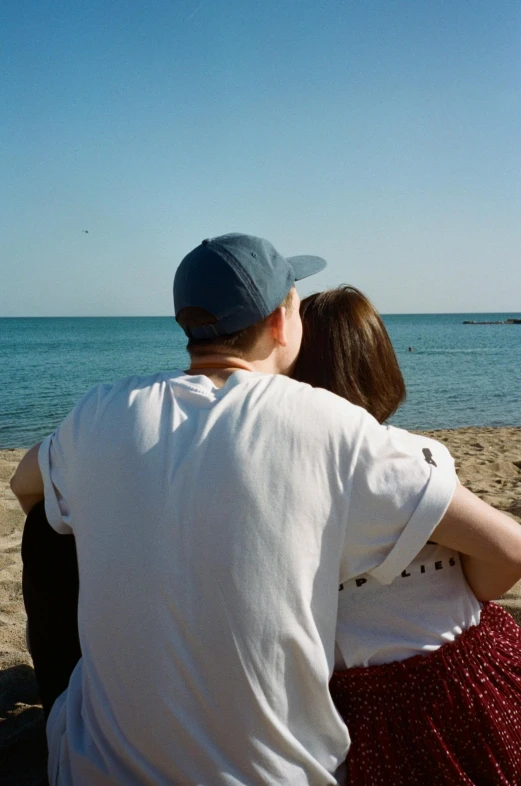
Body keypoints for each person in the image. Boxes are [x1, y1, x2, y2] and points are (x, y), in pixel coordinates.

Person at [10, 235, 521, 786]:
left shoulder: (101, 410)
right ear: (282, 321)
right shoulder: (333, 425)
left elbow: (22, 482)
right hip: (282, 775)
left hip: (89, 769)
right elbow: (508, 547)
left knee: (47, 525)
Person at [292, 286, 521, 785]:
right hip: (463, 666)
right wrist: (456, 589)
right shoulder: (421, 453)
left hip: (370, 701)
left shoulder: (290, 480)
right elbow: (506, 554)